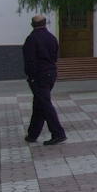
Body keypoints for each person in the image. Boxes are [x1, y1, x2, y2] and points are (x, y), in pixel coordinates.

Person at [23, 15, 66, 145]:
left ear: (32, 24)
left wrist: (31, 77)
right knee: (39, 104)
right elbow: (54, 57)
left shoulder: (32, 39)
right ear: (45, 23)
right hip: (51, 74)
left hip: (38, 76)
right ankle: (32, 134)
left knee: (45, 104)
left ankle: (58, 133)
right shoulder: (52, 38)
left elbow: (30, 61)